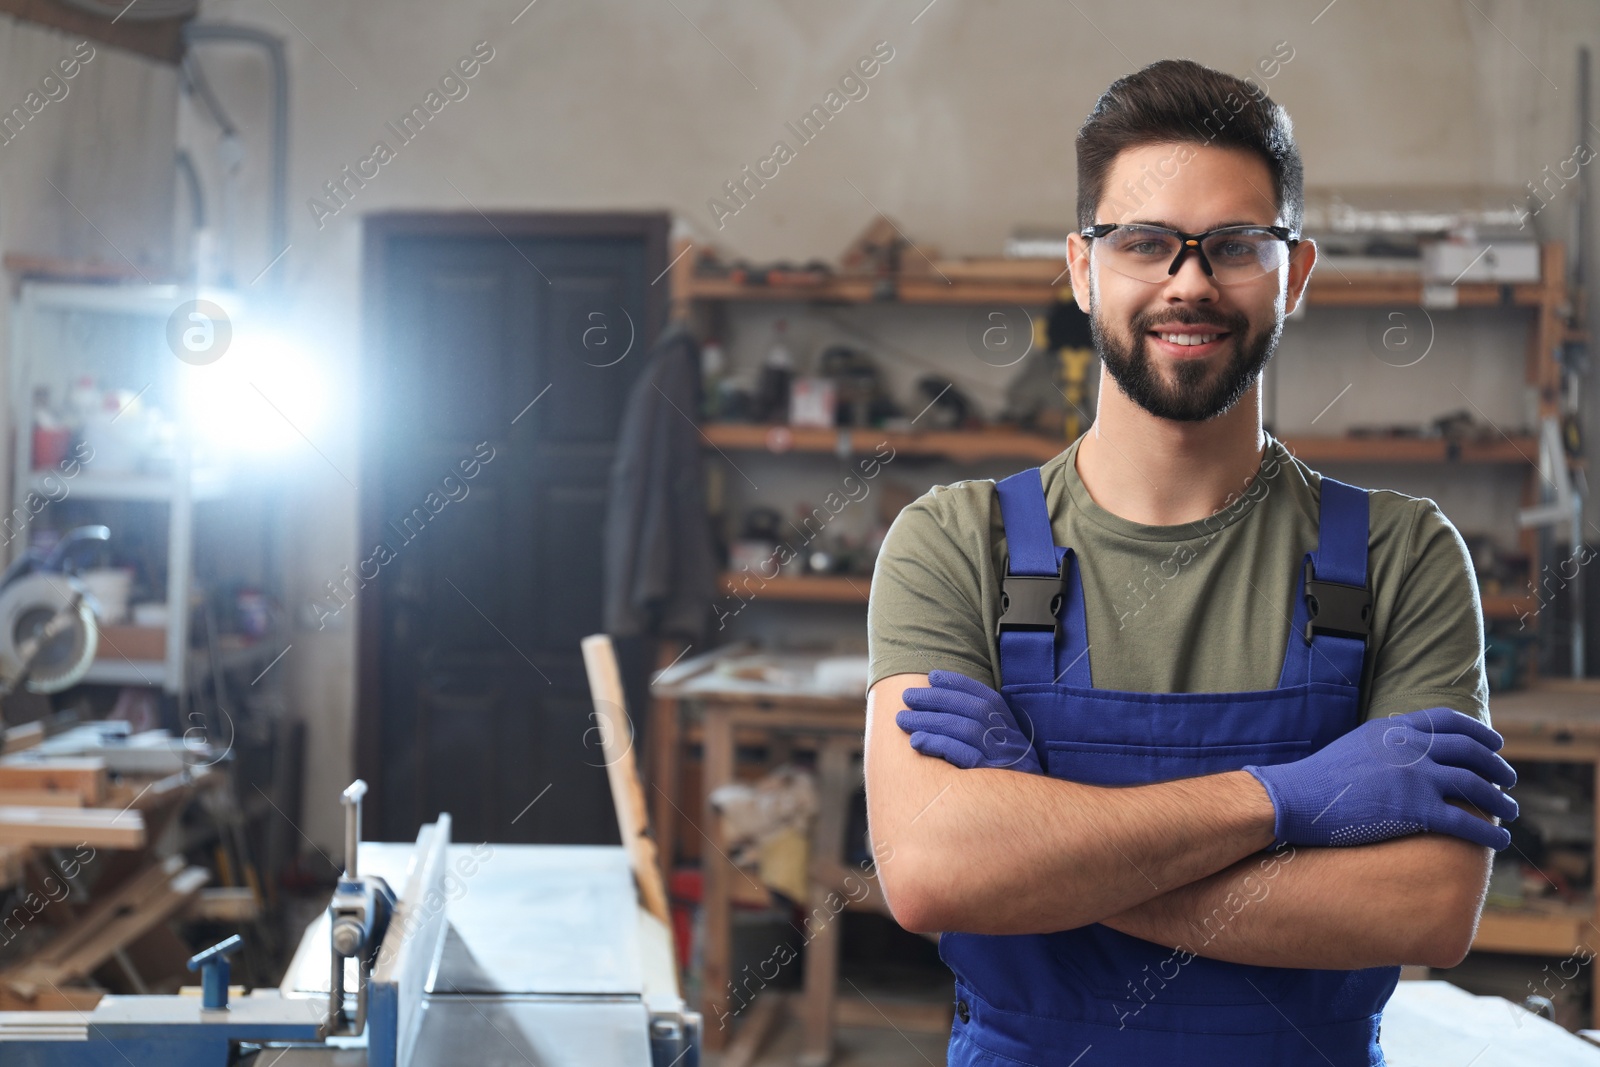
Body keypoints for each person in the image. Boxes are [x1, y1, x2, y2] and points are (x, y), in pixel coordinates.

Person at [862, 58, 1518, 1066]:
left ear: (1293, 275)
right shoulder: (957, 543)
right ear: (1082, 268)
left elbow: (1426, 906)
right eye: (1144, 242)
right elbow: (932, 877)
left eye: (1236, 245)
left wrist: (1046, 851)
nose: (1190, 281)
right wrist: (1285, 802)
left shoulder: (1402, 554)